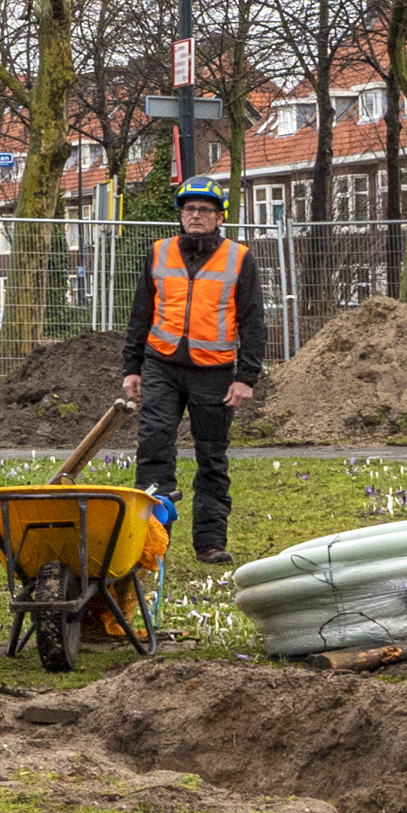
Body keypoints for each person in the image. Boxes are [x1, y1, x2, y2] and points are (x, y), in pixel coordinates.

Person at [122, 180, 266, 568]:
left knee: (212, 458)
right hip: (161, 364)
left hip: (215, 372)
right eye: (189, 210)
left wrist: (246, 377)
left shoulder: (239, 258)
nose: (196, 216)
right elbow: (141, 314)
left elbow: (254, 322)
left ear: (220, 217)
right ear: (181, 215)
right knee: (153, 448)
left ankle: (209, 542)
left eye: (205, 210)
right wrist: (131, 368)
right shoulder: (159, 252)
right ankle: (149, 544)